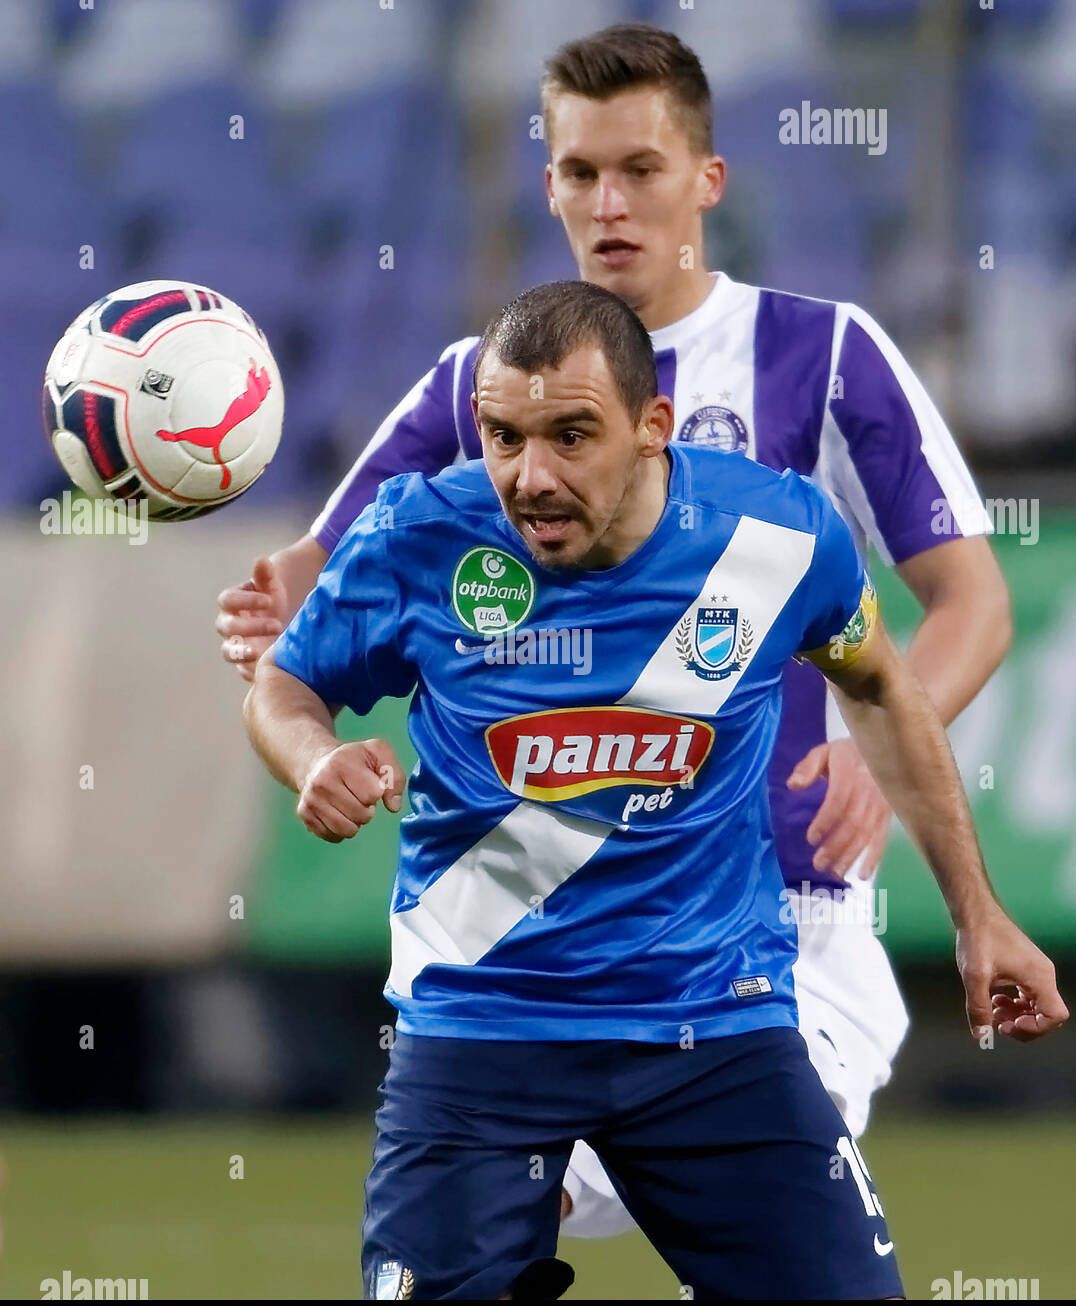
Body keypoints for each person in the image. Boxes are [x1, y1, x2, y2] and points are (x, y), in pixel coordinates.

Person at [219, 24, 1012, 1237]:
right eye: (579, 172)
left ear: (707, 180)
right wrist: (266, 625)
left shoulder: (823, 353)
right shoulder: (476, 381)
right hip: (526, 905)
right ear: (546, 185)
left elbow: (972, 602)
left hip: (778, 910)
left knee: (704, 1215)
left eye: (639, 169)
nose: (609, 203)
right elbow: (306, 584)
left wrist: (874, 753)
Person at [243, 282, 1064, 1300]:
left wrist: (975, 914)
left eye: (570, 435)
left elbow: (883, 691)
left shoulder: (777, 537)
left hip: (712, 1029)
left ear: (651, 427)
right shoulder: (420, 535)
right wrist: (311, 756)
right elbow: (284, 681)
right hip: (480, 1030)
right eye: (501, 437)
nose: (528, 476)